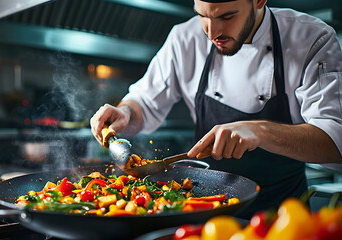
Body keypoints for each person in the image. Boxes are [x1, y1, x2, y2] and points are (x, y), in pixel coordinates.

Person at [90, 0, 342, 218]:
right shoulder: (184, 38)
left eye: (227, 16)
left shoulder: (310, 38)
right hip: (203, 215)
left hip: (284, 217)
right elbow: (143, 101)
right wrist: (125, 113)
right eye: (202, 15)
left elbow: (335, 141)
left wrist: (260, 131)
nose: (212, 32)